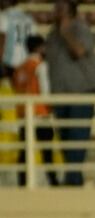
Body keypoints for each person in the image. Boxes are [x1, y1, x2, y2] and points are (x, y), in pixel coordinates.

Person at [45, 0, 95, 187]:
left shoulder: (80, 29)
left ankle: (73, 181)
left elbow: (79, 51)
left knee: (77, 139)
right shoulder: (52, 33)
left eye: (59, 8)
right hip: (61, 95)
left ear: (70, 12)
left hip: (80, 94)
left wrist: (66, 32)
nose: (55, 11)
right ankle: (73, 180)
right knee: (65, 140)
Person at [14, 34, 53, 187]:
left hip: (24, 115)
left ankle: (22, 182)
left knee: (24, 152)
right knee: (46, 151)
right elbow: (45, 90)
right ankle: (53, 180)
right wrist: (50, 108)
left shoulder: (20, 68)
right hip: (40, 113)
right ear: (39, 47)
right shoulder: (40, 65)